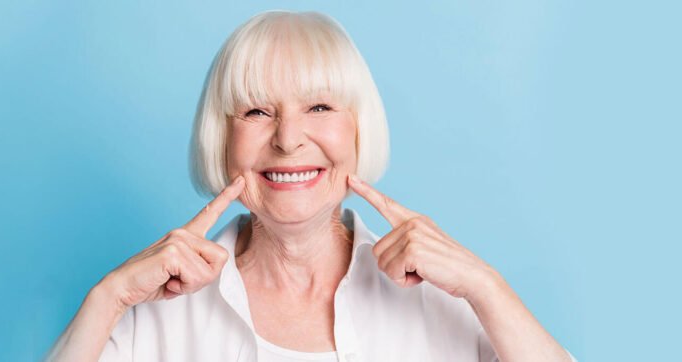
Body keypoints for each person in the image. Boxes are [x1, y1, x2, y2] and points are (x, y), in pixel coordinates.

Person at [48, 10, 576, 362]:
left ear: (358, 129)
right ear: (222, 137)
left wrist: (486, 286)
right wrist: (108, 295)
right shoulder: (151, 314)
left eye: (319, 107)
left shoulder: (443, 299)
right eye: (257, 111)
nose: (288, 140)